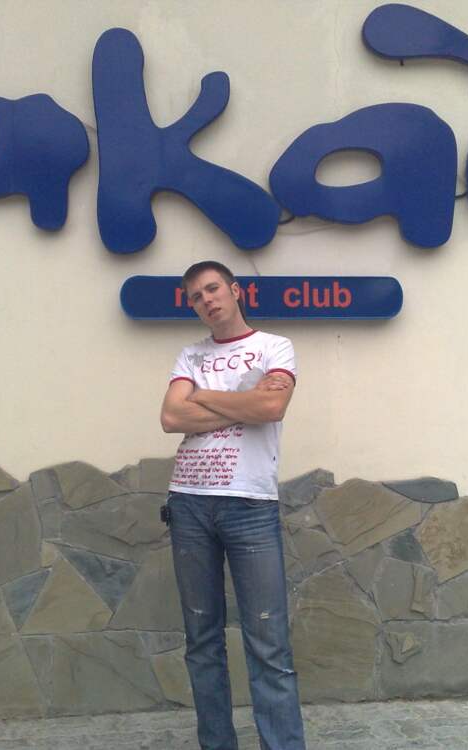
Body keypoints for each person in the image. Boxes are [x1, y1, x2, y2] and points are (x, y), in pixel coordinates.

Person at [160, 260, 306, 750]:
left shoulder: (273, 347)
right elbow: (170, 417)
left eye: (213, 288)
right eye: (196, 296)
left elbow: (271, 407)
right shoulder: (190, 355)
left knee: (269, 644)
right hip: (189, 505)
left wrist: (201, 397)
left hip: (250, 506)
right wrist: (241, 404)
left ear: (235, 290)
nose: (207, 300)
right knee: (201, 642)